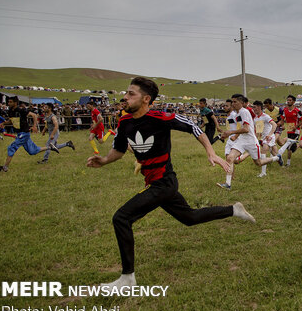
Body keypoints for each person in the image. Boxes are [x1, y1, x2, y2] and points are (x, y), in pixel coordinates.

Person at [86, 77, 256, 289]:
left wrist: (210, 152)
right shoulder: (124, 122)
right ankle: (234, 210)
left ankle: (127, 278)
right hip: (154, 181)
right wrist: (103, 160)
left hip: (164, 182)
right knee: (190, 217)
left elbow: (194, 127)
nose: (125, 97)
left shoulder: (161, 117)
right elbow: (119, 150)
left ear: (146, 99)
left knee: (121, 217)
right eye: (126, 93)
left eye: (131, 94)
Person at [217, 94, 282, 190]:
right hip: (242, 141)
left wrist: (231, 132)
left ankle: (277, 158)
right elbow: (240, 128)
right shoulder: (237, 113)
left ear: (242, 103)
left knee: (259, 163)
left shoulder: (244, 112)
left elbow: (246, 129)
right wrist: (234, 136)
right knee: (230, 158)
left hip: (251, 142)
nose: (233, 104)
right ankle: (228, 184)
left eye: (235, 102)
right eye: (232, 102)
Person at [0, 97, 59, 172]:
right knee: (32, 151)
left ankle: (4, 167)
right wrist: (3, 123)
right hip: (19, 133)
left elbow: (34, 115)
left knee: (11, 147)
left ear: (15, 103)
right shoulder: (10, 111)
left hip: (24, 133)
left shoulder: (21, 110)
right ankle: (50, 147)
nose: (9, 103)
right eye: (8, 102)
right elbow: (12, 121)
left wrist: (34, 126)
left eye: (10, 102)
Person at [252, 100, 278, 177]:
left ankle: (263, 173)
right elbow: (256, 130)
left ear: (259, 107)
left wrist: (269, 135)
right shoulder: (255, 118)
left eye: (255, 107)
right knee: (274, 153)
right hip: (262, 138)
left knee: (263, 152)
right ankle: (278, 158)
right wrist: (255, 139)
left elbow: (274, 125)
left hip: (269, 137)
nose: (253, 109)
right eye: (253, 107)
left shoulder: (265, 116)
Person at [277, 95, 302, 166]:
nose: (288, 101)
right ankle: (301, 145)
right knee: (292, 148)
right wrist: (279, 125)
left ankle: (288, 163)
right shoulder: (285, 110)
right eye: (288, 100)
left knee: (290, 147)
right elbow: (282, 120)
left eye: (290, 100)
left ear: (294, 102)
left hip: (296, 131)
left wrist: (296, 126)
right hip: (289, 130)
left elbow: (301, 121)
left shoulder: (297, 111)